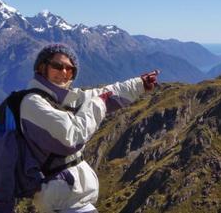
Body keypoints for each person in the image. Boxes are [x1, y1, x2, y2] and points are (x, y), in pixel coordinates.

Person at [20, 43, 159, 213]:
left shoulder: (60, 99)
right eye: (58, 66)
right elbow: (72, 138)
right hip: (62, 202)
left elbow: (106, 93)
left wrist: (139, 84)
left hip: (70, 198)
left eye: (70, 69)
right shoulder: (34, 102)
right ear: (42, 67)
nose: (64, 72)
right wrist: (97, 104)